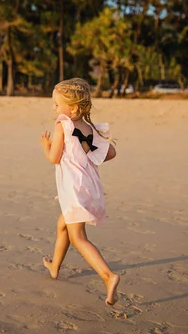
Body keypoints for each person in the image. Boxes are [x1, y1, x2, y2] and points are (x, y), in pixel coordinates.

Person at [39, 78, 120, 306]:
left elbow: (54, 158)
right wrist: (88, 150)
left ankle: (108, 276)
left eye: (57, 104)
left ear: (72, 108)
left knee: (78, 237)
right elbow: (111, 153)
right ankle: (54, 267)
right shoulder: (89, 127)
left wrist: (45, 146)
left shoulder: (62, 123)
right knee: (62, 224)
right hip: (89, 186)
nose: (54, 108)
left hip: (73, 187)